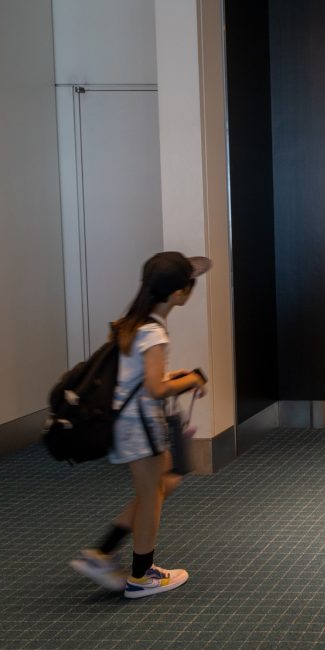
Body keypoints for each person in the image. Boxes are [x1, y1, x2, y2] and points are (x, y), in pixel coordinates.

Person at [68, 251, 210, 599]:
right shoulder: (154, 333)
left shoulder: (134, 323)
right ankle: (142, 575)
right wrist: (191, 380)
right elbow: (155, 388)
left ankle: (102, 553)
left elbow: (138, 378)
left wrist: (176, 376)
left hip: (131, 422)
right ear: (178, 294)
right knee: (151, 496)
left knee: (166, 482)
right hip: (140, 425)